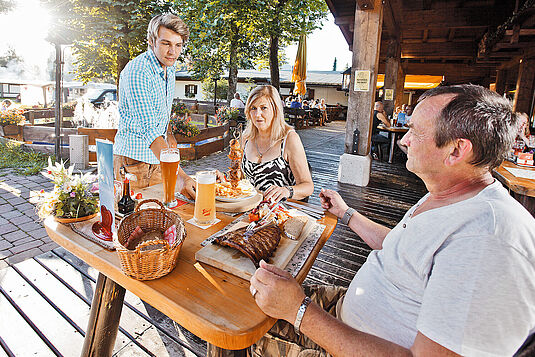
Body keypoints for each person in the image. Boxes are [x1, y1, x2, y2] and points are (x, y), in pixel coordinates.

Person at [250, 84, 535, 357]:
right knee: (250, 300)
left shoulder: (489, 241)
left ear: (457, 150)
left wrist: (297, 310)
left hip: (347, 343)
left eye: (415, 131)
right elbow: (402, 247)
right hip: (346, 310)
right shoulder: (449, 195)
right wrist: (347, 214)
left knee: (239, 330)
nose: (403, 139)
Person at [113, 13, 195, 197]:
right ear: (151, 41)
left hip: (159, 159)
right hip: (132, 163)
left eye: (178, 45)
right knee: (132, 221)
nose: (172, 51)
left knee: (160, 217)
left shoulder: (170, 67)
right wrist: (182, 176)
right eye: (166, 43)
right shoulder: (138, 71)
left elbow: (162, 109)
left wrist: (169, 133)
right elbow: (149, 129)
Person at [240, 85, 313, 203]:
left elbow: (308, 187)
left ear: (275, 110)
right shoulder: (246, 137)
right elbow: (240, 177)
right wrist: (224, 177)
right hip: (247, 208)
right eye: (253, 108)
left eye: (263, 108)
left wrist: (286, 191)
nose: (257, 114)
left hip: (280, 211)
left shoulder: (289, 138)